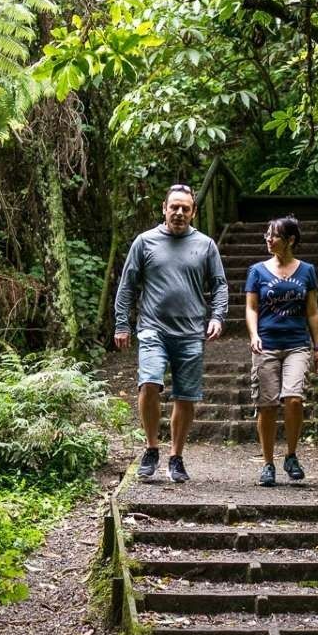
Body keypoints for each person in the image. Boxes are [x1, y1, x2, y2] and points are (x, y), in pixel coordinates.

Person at [114, 184, 227, 483]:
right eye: (174, 207)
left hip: (190, 332)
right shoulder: (144, 242)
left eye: (185, 208)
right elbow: (127, 285)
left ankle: (176, 456)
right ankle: (151, 447)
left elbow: (220, 285)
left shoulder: (205, 245)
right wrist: (122, 323)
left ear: (193, 212)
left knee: (186, 397)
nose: (179, 213)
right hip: (153, 329)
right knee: (149, 382)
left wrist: (217, 316)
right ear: (163, 208)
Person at [243, 214, 318, 486]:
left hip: (297, 344)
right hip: (266, 344)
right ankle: (267, 463)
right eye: (267, 234)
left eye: (274, 235)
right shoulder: (257, 271)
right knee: (266, 406)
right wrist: (253, 335)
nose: (268, 238)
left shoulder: (307, 271)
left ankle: (291, 455)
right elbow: (251, 307)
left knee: (293, 398)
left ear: (290, 240)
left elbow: (312, 311)